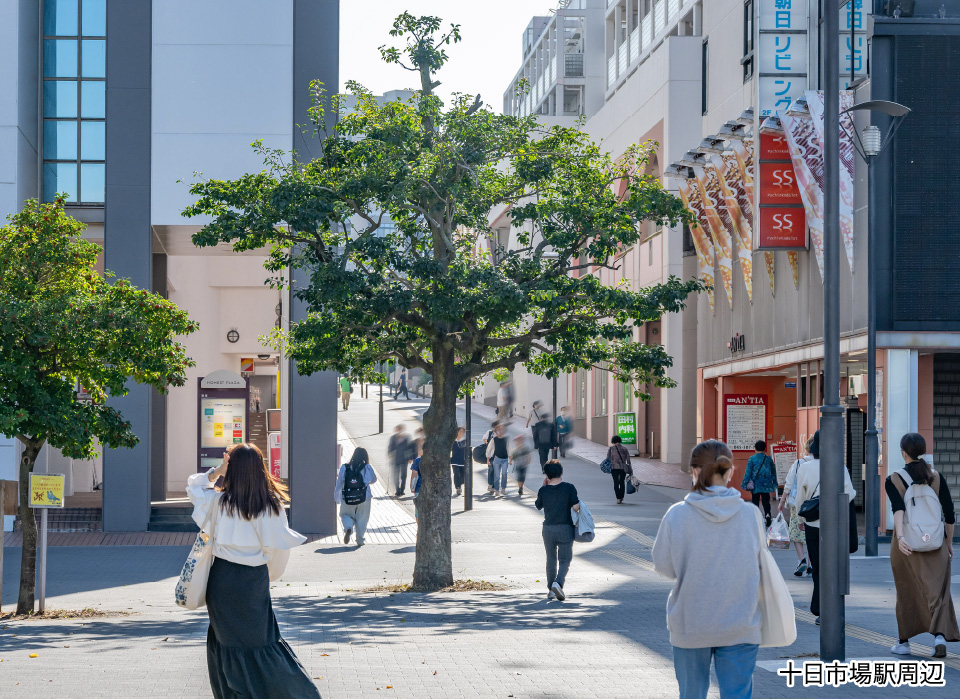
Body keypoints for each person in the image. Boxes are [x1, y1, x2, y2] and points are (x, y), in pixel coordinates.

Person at [186, 444, 320, 699]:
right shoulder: (270, 506)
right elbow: (277, 554)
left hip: (222, 580)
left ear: (233, 470)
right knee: (262, 641)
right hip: (253, 580)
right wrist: (263, 576)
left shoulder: (218, 502)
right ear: (261, 469)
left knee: (226, 642)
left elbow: (194, 486)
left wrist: (218, 470)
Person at [651, 439, 763, 699]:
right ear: (730, 471)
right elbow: (758, 561)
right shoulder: (750, 515)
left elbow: (664, 567)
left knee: (691, 694)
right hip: (741, 621)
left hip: (691, 622)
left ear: (694, 471)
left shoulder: (677, 515)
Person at [885, 432, 958, 658]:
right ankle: (938, 636)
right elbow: (949, 513)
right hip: (936, 542)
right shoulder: (936, 477)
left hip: (906, 544)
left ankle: (904, 642)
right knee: (939, 591)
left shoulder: (894, 479)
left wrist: (901, 538)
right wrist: (949, 542)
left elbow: (898, 509)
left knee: (907, 590)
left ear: (903, 452)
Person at [794, 429, 856, 625]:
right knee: (836, 567)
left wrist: (800, 519)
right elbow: (850, 494)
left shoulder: (804, 467)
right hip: (835, 525)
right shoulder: (840, 467)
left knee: (819, 568)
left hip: (813, 523)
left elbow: (800, 499)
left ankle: (821, 610)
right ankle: (836, 610)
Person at [535, 460, 581, 601]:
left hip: (548, 528)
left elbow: (538, 505)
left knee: (551, 558)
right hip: (565, 528)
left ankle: (551, 590)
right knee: (565, 559)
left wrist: (543, 488)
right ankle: (558, 583)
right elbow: (576, 507)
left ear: (547, 475)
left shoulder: (544, 490)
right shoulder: (569, 488)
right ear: (561, 472)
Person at [778, 437, 814, 577]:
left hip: (798, 504)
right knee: (813, 535)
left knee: (796, 534)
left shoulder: (798, 463)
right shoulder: (823, 464)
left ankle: (802, 560)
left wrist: (781, 502)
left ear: (806, 448)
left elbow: (788, 484)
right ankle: (810, 565)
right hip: (816, 505)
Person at [334, 447, 377, 546]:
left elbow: (339, 483)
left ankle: (348, 528)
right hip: (364, 497)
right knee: (362, 518)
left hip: (347, 497)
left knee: (345, 515)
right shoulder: (367, 467)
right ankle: (360, 540)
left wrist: (337, 498)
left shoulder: (345, 467)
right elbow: (374, 480)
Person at [741, 440, 777, 528]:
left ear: (755, 449)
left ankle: (756, 517)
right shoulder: (768, 459)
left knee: (755, 501)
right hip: (766, 484)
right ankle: (768, 515)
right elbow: (773, 472)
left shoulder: (752, 459)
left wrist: (745, 483)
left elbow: (748, 472)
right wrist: (774, 482)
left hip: (756, 484)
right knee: (766, 501)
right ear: (765, 449)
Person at [486, 422, 510, 497]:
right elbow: (489, 449)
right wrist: (488, 459)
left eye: (501, 429)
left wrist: (511, 459)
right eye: (498, 430)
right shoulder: (494, 439)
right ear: (496, 431)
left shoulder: (506, 439)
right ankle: (497, 490)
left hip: (505, 459)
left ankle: (503, 489)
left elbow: (509, 449)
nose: (500, 431)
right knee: (496, 475)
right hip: (497, 459)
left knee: (504, 474)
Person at [607, 435, 633, 504]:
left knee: (616, 483)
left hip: (614, 468)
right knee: (622, 482)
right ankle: (621, 497)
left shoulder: (611, 449)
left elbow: (608, 459)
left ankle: (618, 498)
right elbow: (628, 460)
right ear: (620, 441)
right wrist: (630, 469)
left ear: (613, 441)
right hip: (623, 468)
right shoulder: (625, 449)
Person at [388, 424, 411, 497]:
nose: (399, 431)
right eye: (398, 429)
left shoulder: (406, 438)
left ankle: (402, 489)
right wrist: (389, 454)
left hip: (404, 459)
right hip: (395, 459)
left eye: (401, 429)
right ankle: (397, 490)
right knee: (396, 475)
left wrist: (410, 457)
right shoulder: (393, 438)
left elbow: (409, 448)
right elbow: (390, 447)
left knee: (403, 475)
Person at [409, 443, 424, 522]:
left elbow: (414, 474)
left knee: (418, 512)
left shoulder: (418, 460)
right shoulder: (435, 460)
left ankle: (420, 530)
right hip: (432, 490)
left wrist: (412, 486)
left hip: (419, 488)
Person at [451, 426, 466, 497]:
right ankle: (458, 487)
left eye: (462, 432)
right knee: (456, 474)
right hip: (455, 461)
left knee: (463, 476)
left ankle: (460, 484)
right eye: (460, 431)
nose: (461, 433)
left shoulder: (465, 441)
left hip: (463, 461)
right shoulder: (453, 441)